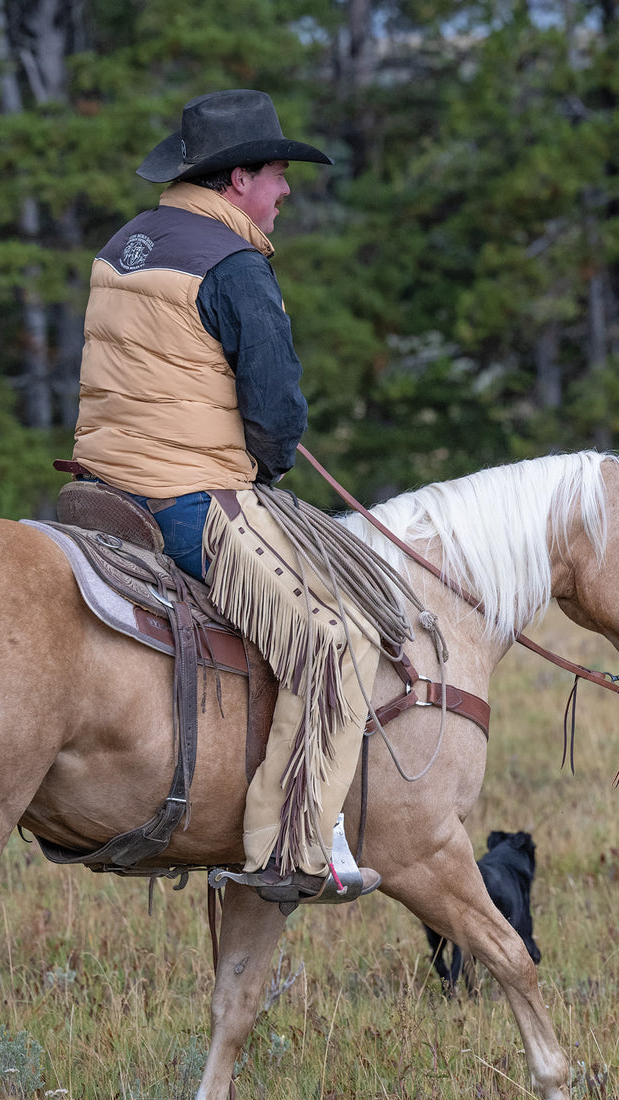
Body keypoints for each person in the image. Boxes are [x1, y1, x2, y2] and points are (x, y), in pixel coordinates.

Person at [71, 89, 381, 904]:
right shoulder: (234, 265)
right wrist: (268, 460)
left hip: (100, 489)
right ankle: (294, 850)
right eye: (278, 176)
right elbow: (276, 414)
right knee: (335, 646)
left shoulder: (125, 245)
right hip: (187, 499)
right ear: (237, 177)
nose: (285, 193)